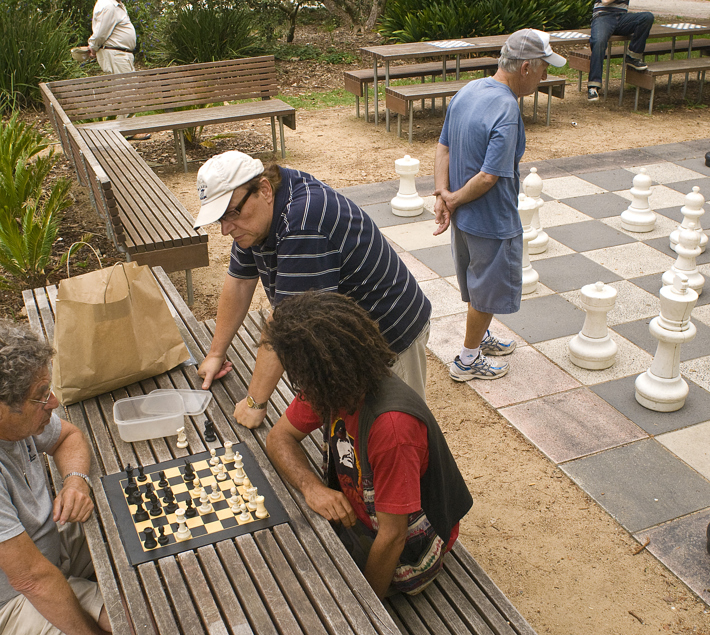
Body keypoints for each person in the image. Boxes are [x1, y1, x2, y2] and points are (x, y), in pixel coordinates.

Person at [193, 151, 432, 427]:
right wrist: (215, 354)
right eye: (220, 218)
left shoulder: (303, 222)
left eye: (232, 213)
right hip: (345, 339)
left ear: (265, 190)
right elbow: (239, 281)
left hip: (389, 334)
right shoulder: (254, 217)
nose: (225, 229)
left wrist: (254, 402)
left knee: (398, 435)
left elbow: (287, 323)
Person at [264, 292, 472, 599]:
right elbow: (278, 437)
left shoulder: (391, 429)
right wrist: (312, 487)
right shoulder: (334, 383)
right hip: (365, 522)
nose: (297, 383)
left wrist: (368, 612)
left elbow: (393, 537)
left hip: (411, 550)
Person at [433, 29, 566, 382]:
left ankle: (479, 337)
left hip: (464, 217)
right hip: (491, 218)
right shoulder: (507, 109)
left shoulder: (470, 89)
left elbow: (443, 147)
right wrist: (453, 198)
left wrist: (443, 195)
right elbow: (490, 176)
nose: (545, 77)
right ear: (525, 67)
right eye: (542, 69)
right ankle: (467, 359)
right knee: (486, 289)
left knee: (478, 285)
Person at [0, 321, 116, 635]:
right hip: (12, 603)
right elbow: (31, 580)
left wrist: (75, 481)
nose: (54, 401)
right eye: (41, 395)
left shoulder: (20, 421)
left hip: (46, 552)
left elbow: (69, 437)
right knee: (134, 624)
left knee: (129, 530)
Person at [87, 0, 150, 139]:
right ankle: (125, 131)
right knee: (127, 91)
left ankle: (125, 129)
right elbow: (100, 33)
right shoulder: (108, 5)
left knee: (126, 91)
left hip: (121, 54)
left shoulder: (115, 5)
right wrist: (93, 46)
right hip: (116, 54)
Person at [587, 0, 654, 102]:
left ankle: (633, 56)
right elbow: (605, 1)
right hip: (603, 16)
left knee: (647, 17)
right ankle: (593, 86)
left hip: (623, 17)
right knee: (599, 41)